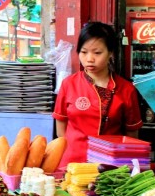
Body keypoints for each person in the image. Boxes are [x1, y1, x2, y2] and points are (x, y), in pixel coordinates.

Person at [52, 22, 143, 170]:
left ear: (111, 52)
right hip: (73, 165)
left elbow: (132, 134)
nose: (89, 59)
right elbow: (61, 128)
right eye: (84, 52)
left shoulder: (126, 89)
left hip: (110, 167)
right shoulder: (69, 84)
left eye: (97, 53)